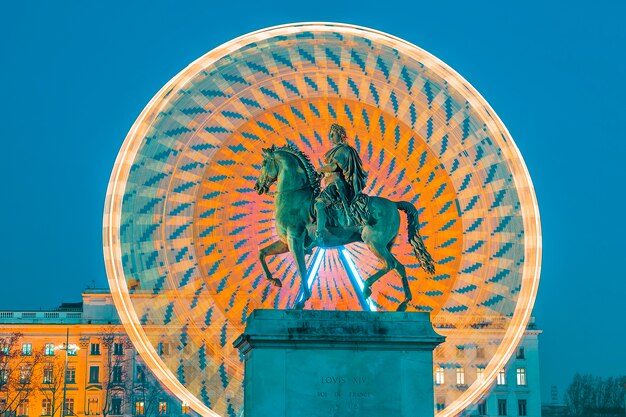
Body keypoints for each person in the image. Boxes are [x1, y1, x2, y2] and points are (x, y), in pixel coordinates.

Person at [310, 123, 368, 248]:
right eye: (329, 135)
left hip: (337, 185)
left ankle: (319, 236)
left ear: (341, 135)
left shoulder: (343, 150)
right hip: (332, 184)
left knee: (319, 204)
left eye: (333, 134)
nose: (330, 137)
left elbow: (334, 166)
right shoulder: (338, 150)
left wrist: (319, 170)